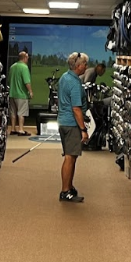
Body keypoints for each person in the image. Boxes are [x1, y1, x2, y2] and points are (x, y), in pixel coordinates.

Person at [57, 51, 89, 203]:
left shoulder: (65, 77)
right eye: (85, 64)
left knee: (71, 156)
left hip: (63, 122)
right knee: (70, 157)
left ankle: (69, 187)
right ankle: (65, 191)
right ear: (78, 66)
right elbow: (76, 108)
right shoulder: (75, 83)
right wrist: (83, 129)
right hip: (71, 124)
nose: (86, 67)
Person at [8, 51, 33, 136]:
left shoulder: (12, 67)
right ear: (24, 58)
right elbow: (26, 81)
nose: (28, 59)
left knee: (13, 112)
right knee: (21, 113)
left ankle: (13, 129)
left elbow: (9, 80)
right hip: (21, 94)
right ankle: (21, 129)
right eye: (27, 57)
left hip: (12, 93)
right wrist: (30, 91)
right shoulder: (24, 67)